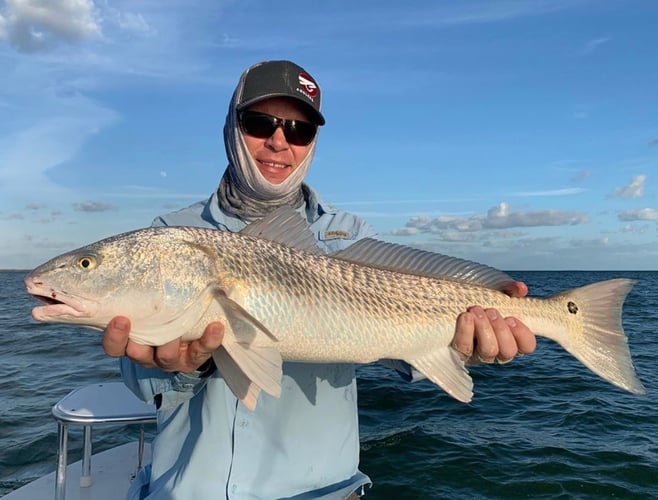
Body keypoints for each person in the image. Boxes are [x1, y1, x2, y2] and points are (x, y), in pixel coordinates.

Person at [102, 60, 536, 499]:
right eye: (260, 123)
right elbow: (142, 384)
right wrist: (181, 367)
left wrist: (463, 348)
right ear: (231, 126)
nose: (278, 142)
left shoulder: (348, 236)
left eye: (299, 130)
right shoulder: (170, 234)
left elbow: (400, 349)